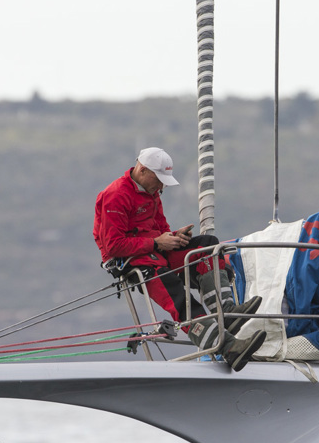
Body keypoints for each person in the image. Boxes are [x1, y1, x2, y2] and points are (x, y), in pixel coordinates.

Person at [93, 147, 265, 371]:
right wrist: (157, 243)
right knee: (179, 297)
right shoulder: (115, 195)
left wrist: (175, 237)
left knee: (208, 246)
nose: (162, 186)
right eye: (159, 180)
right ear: (142, 170)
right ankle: (229, 348)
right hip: (133, 262)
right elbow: (114, 246)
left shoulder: (152, 191)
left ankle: (227, 312)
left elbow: (161, 228)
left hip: (156, 249)